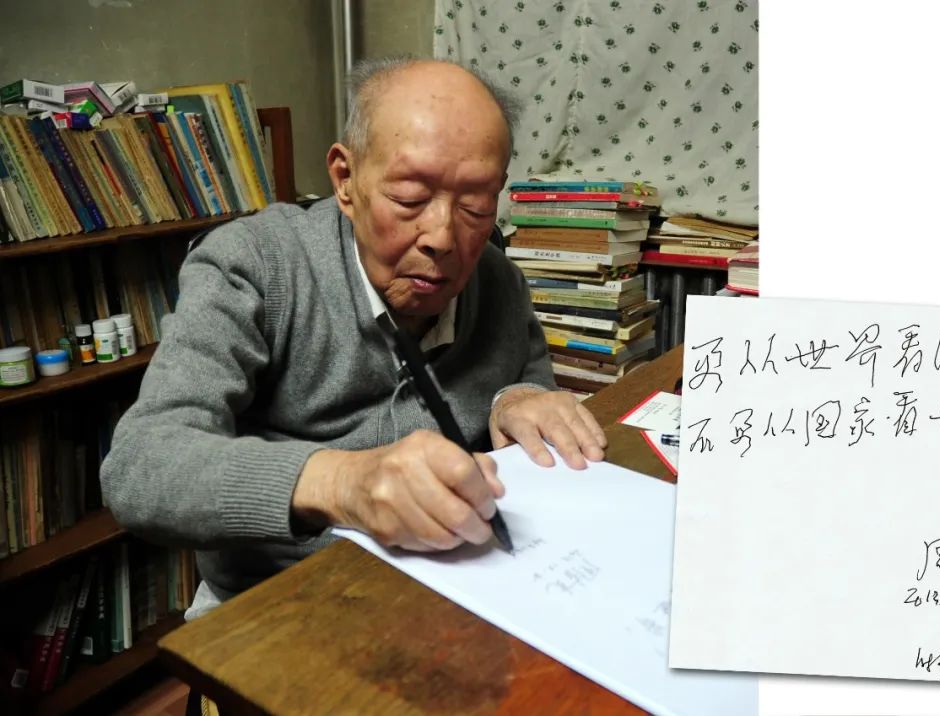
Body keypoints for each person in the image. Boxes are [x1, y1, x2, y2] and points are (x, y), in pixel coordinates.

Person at [100, 58, 607, 619]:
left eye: (475, 204)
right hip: (280, 602)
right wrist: (344, 484)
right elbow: (142, 467)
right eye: (410, 197)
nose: (443, 237)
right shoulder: (255, 265)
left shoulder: (497, 278)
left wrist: (518, 398)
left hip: (455, 589)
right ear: (346, 179)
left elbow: (527, 379)